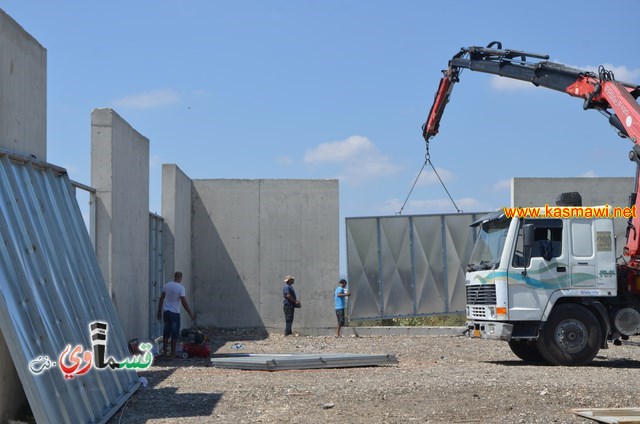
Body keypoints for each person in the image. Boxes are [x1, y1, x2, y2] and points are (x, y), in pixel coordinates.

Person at [156, 271, 196, 357]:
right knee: (175, 333)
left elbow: (161, 298)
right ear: (180, 278)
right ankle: (173, 353)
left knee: (166, 332)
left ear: (174, 276)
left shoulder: (167, 285)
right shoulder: (180, 288)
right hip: (175, 313)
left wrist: (159, 311)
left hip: (166, 312)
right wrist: (190, 314)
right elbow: (183, 302)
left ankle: (165, 351)